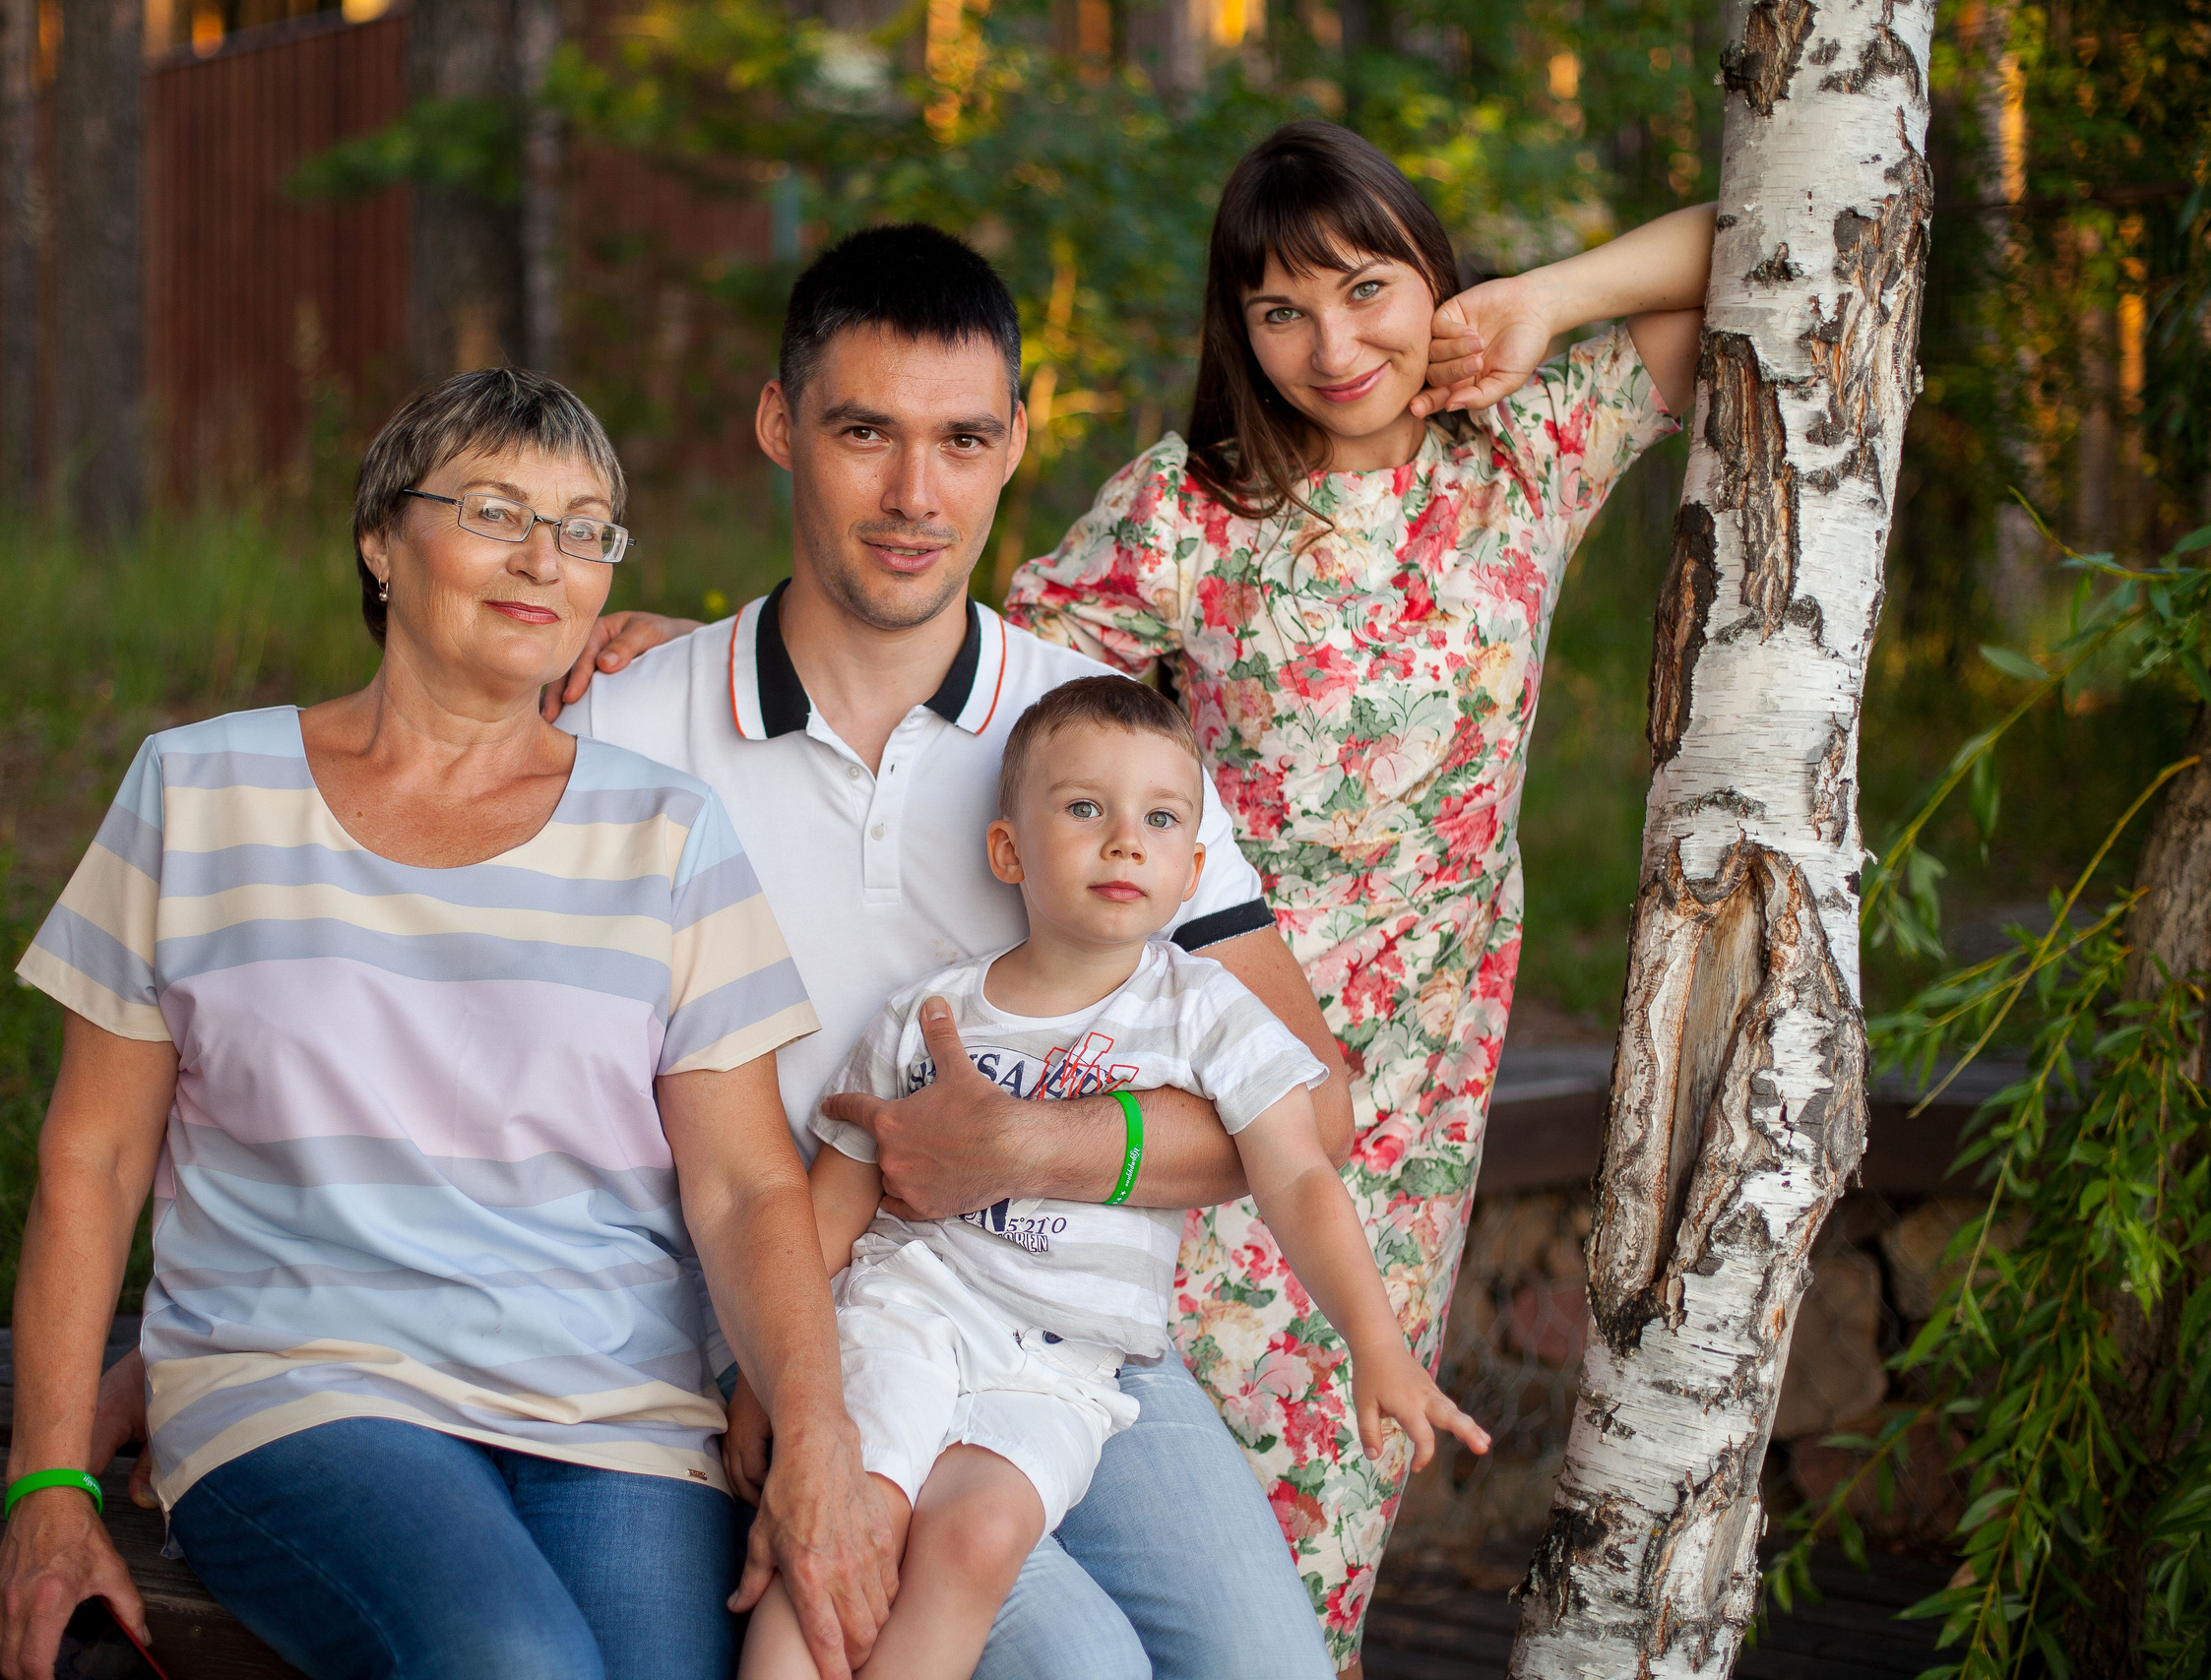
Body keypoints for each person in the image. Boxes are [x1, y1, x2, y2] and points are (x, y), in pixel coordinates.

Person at [93, 224, 1352, 1678]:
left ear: (1019, 440)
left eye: (959, 439)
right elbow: (418, 1015)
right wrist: (202, 1329)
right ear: (778, 426)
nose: (912, 494)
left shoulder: (1089, 729)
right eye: (862, 431)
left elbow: (1308, 1101)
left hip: (1059, 1311)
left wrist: (1026, 1149)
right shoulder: (621, 719)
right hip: (769, 1331)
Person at [0, 371, 896, 1680]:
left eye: (586, 528)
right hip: (301, 1381)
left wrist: (815, 1436)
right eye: (492, 511)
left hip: (613, 1408)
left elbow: (749, 1185)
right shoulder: (196, 789)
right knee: (513, 1659)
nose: (546, 559)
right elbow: (92, 1159)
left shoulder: (668, 827)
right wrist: (45, 1486)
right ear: (379, 540)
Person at [1002, 120, 1715, 1668]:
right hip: (1209, 1057)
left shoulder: (1525, 453)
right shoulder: (1193, 514)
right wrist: (722, 639)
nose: (1331, 345)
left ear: (1431, 281)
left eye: (1369, 287)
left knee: (1329, 1497)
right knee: (1133, 1481)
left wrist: (1542, 298)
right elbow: (982, 693)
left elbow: (1771, 223)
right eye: (1279, 308)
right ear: (1234, 327)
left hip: (1415, 1087)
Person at [730, 674, 1491, 1680]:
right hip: (907, 1310)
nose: (1124, 839)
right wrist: (766, 1377)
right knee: (852, 1523)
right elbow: (836, 1197)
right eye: (1085, 809)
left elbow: (1299, 1174)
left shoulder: (1204, 1012)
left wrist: (1377, 1345)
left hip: (1067, 1361)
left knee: (978, 1539)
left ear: (1191, 872)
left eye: (1160, 819)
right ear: (1010, 849)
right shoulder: (928, 1012)